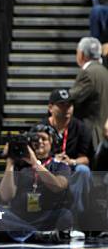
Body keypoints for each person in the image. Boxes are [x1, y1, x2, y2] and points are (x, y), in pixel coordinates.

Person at [0, 124, 72, 243]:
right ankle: (35, 235)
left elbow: (58, 186)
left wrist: (35, 163)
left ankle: (17, 234)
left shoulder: (59, 165)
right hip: (20, 217)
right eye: (36, 139)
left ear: (52, 142)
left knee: (66, 214)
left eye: (44, 139)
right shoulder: (20, 166)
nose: (40, 142)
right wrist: (10, 163)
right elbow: (6, 196)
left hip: (45, 218)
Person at [42, 88, 93, 221]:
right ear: (50, 108)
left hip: (71, 167)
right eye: (62, 105)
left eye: (69, 105)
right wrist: (53, 160)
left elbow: (87, 158)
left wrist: (72, 161)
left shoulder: (81, 127)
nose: (67, 109)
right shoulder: (41, 128)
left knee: (83, 170)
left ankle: (76, 218)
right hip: (49, 168)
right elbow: (36, 156)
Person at [70, 37, 108, 151]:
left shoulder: (88, 73)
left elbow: (72, 98)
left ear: (81, 54)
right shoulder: (104, 71)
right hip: (102, 131)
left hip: (92, 135)